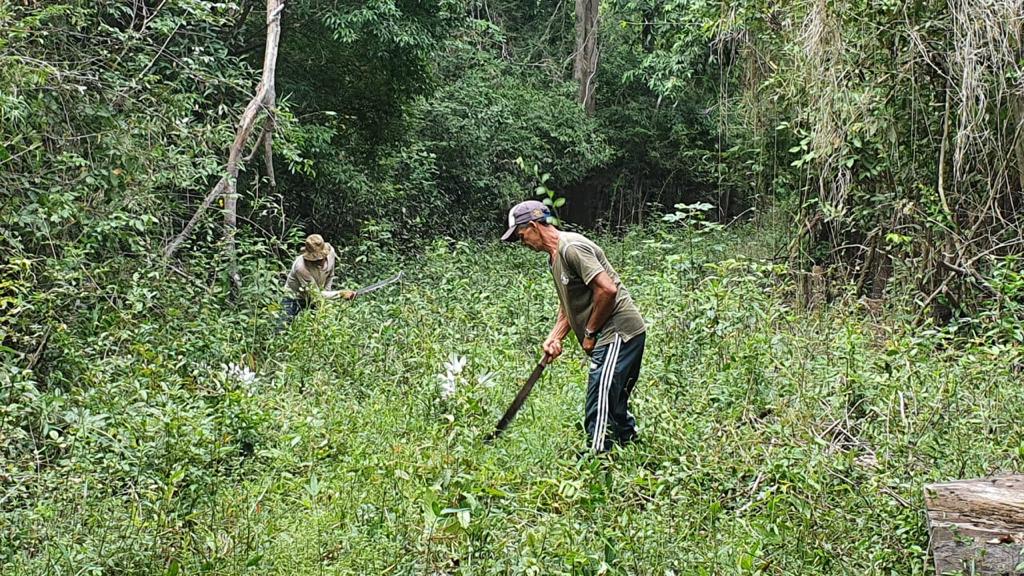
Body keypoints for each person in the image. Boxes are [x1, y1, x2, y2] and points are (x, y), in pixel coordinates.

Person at [501, 201, 647, 453]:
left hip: (619, 331)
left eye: (521, 236)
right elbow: (569, 305)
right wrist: (554, 337)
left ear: (534, 226)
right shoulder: (554, 257)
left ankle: (596, 455)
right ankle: (630, 444)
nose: (522, 243)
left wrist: (589, 333)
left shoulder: (571, 248)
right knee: (613, 398)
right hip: (612, 334)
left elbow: (607, 290)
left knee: (599, 396)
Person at [279, 234, 354, 327]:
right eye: (316, 259)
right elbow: (315, 295)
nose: (320, 261)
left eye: (321, 257)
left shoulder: (331, 253)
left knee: (321, 326)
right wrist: (340, 294)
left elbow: (330, 275)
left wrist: (327, 294)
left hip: (318, 294)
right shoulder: (301, 267)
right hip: (294, 297)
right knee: (282, 327)